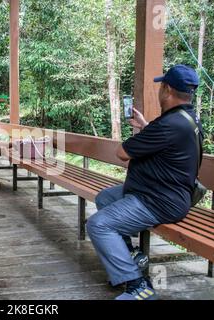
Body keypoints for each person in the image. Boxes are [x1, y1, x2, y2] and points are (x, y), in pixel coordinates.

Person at [86, 65, 203, 300]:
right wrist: (146, 126)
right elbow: (169, 140)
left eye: (161, 86)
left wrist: (143, 133)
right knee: (104, 198)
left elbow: (122, 152)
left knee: (98, 225)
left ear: (167, 89)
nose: (160, 91)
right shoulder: (188, 118)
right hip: (161, 192)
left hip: (159, 200)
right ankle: (130, 255)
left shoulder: (167, 125)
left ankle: (139, 286)